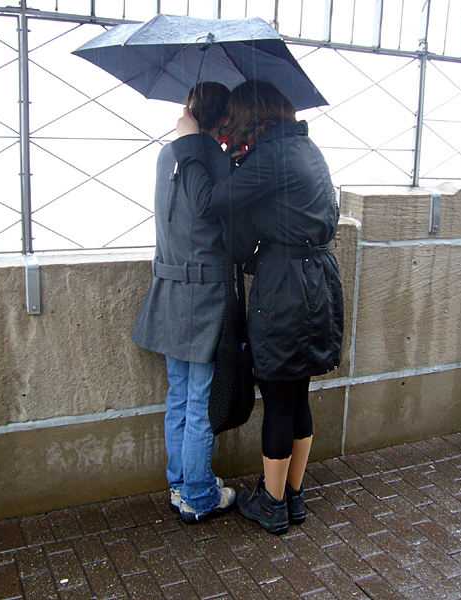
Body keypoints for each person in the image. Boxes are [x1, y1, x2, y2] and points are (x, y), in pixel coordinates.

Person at [172, 80, 344, 535]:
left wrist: (189, 144)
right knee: (298, 395)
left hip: (286, 289)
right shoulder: (303, 148)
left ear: (252, 114)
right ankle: (292, 495)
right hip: (317, 280)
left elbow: (210, 203)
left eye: (235, 117)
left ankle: (270, 505)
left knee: (279, 401)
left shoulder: (271, 156)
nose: (230, 124)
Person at [132, 82, 236, 523]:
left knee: (178, 394)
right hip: (204, 294)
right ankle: (197, 494)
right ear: (225, 118)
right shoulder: (214, 160)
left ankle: (180, 483)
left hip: (169, 288)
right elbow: (227, 225)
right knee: (199, 399)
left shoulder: (165, 154)